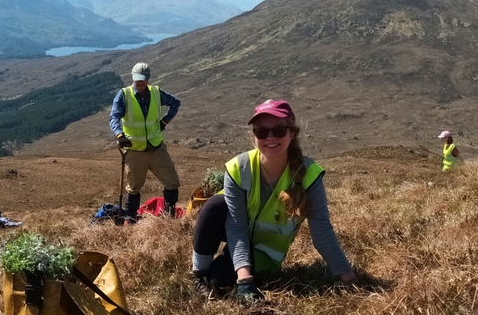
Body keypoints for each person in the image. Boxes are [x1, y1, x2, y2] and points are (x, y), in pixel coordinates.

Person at [192, 99, 356, 302]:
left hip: (264, 254)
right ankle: (198, 275)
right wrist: (245, 280)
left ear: (292, 133)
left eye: (279, 130)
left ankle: (219, 270)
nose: (270, 137)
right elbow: (237, 227)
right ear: (254, 137)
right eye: (261, 132)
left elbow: (322, 232)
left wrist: (348, 278)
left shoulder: (308, 175)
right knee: (215, 205)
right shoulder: (239, 168)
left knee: (218, 282)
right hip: (238, 235)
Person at [110, 62, 181, 219]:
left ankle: (169, 217)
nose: (140, 82)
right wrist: (119, 134)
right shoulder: (124, 95)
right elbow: (114, 116)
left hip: (156, 148)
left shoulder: (156, 92)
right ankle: (131, 219)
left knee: (172, 182)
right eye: (137, 79)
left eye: (143, 79)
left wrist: (164, 121)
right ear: (133, 78)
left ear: (148, 79)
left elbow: (176, 103)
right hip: (135, 150)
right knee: (133, 187)